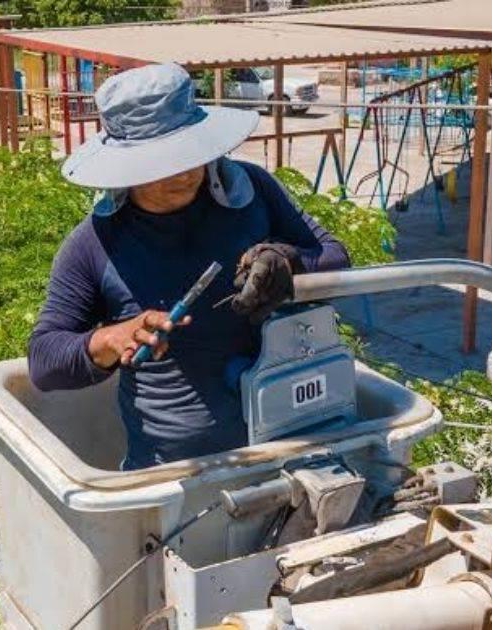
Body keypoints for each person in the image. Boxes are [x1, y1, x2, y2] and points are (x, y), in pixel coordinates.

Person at [28, 63, 350, 470]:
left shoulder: (253, 191)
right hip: (171, 473)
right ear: (124, 169)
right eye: (160, 161)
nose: (182, 171)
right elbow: (43, 362)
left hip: (288, 442)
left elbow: (335, 257)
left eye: (188, 151)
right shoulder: (94, 244)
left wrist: (288, 262)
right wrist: (111, 340)